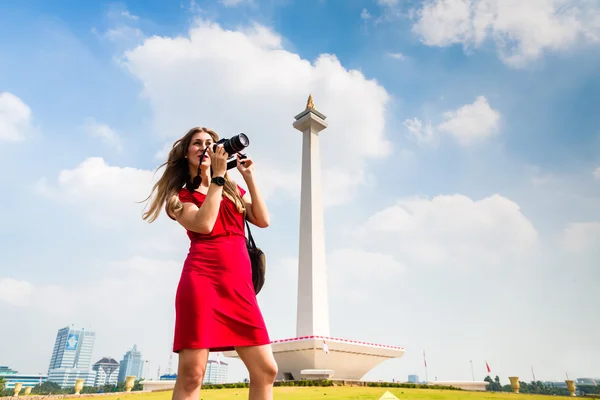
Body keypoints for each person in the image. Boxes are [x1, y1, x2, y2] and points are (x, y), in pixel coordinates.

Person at [142, 127, 278, 400]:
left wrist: (249, 178)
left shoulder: (231, 190)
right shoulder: (179, 197)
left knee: (266, 369)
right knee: (193, 374)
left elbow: (263, 220)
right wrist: (216, 178)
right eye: (197, 144)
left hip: (239, 286)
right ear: (186, 154)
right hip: (202, 282)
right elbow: (204, 224)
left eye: (210, 143)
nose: (205, 148)